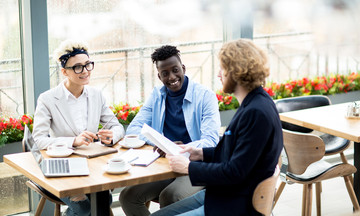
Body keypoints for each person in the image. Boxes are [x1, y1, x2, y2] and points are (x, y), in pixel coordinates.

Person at [150, 38, 283, 216]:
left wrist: (188, 167)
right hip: (224, 194)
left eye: (222, 69)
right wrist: (200, 153)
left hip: (234, 204)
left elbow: (235, 172)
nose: (219, 75)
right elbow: (238, 153)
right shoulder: (255, 103)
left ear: (236, 71)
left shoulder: (256, 113)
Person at [120, 45, 221, 216]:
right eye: (165, 73)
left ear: (183, 68)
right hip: (167, 164)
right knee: (127, 196)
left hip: (196, 166)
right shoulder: (157, 95)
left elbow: (211, 141)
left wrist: (182, 148)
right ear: (159, 76)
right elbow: (134, 129)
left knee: (171, 196)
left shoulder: (205, 96)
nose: (172, 77)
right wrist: (164, 144)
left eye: (175, 70)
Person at [32, 39, 125, 216]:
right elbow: (39, 140)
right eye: (77, 67)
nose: (85, 71)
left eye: (88, 65)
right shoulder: (47, 99)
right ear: (64, 72)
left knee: (104, 201)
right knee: (85, 208)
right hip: (62, 167)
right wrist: (73, 141)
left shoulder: (96, 94)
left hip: (93, 166)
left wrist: (112, 135)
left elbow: (117, 126)